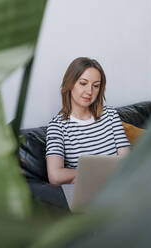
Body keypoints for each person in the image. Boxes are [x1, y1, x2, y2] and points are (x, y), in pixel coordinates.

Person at [45, 57, 130, 185]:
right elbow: (55, 176)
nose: (90, 91)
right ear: (70, 84)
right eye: (83, 83)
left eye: (96, 86)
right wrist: (96, 174)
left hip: (119, 187)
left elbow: (127, 161)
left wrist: (84, 174)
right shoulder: (57, 126)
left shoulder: (111, 115)